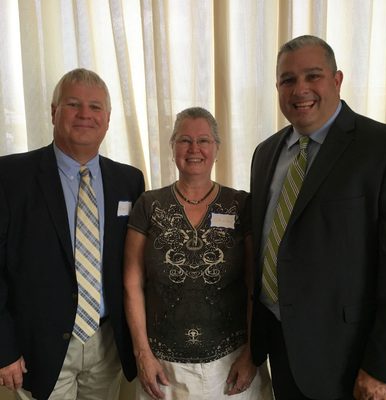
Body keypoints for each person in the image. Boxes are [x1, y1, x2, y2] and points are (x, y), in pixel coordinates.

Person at [250, 34, 386, 400]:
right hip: (282, 350)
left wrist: (383, 367)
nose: (300, 89)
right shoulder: (265, 153)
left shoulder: (385, 147)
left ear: (337, 80)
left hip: (352, 362)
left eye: (312, 76)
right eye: (288, 80)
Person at [0, 68, 145, 400]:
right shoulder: (9, 177)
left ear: (107, 119)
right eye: (73, 104)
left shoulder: (129, 181)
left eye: (95, 107)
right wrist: (3, 348)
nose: (85, 115)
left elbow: (136, 264)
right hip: (39, 344)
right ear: (54, 112)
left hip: (107, 342)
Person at [124, 107, 273, 399]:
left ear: (216, 148)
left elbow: (254, 285)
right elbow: (132, 285)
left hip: (232, 365)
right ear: (172, 147)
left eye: (203, 140)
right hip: (164, 368)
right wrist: (143, 355)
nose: (194, 149)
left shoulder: (241, 204)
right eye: (184, 140)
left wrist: (252, 355)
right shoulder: (148, 205)